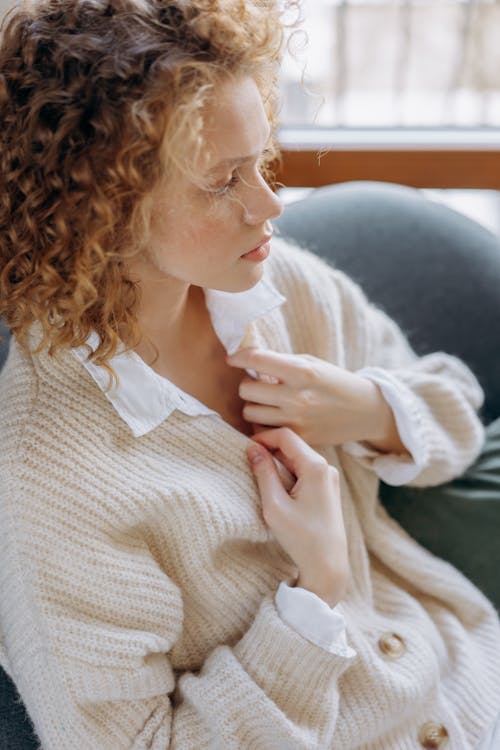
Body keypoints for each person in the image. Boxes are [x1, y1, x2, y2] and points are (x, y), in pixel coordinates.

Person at [0, 0, 498, 748]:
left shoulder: (281, 284)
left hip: (469, 675)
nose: (270, 204)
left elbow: (457, 410)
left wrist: (369, 409)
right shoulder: (52, 481)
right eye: (223, 182)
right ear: (103, 209)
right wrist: (316, 596)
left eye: (263, 163)